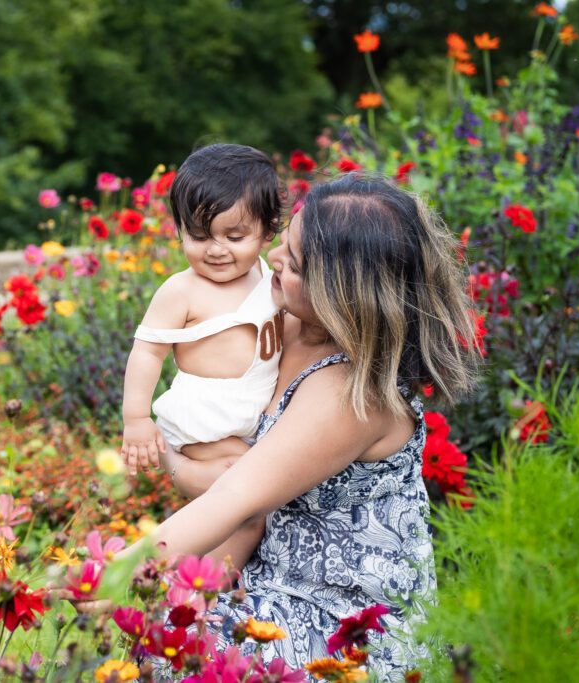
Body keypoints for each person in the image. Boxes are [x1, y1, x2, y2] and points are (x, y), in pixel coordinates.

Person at [130, 172, 480, 677]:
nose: (272, 259)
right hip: (265, 567)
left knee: (174, 641)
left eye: (292, 263)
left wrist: (115, 570)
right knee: (164, 620)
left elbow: (237, 494)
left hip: (340, 621)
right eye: (284, 245)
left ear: (341, 296)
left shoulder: (351, 394)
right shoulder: (286, 322)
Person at [120, 143, 284, 572]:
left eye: (234, 236)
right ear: (179, 230)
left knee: (248, 508)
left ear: (268, 232)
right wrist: (136, 420)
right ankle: (204, 590)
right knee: (246, 498)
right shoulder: (182, 290)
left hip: (250, 410)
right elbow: (147, 352)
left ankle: (213, 581)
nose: (216, 250)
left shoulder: (269, 277)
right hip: (207, 416)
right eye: (199, 235)